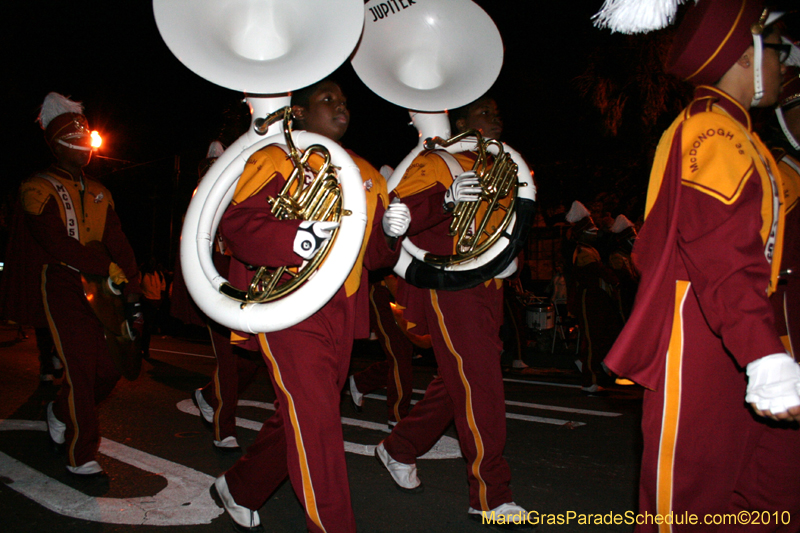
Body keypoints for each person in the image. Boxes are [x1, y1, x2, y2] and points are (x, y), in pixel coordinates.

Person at [603, 1, 800, 529]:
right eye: (777, 51)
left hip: (735, 328)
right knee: (688, 505)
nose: (785, 64)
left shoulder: (738, 134)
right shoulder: (712, 132)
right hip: (704, 335)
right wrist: (762, 353)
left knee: (762, 499)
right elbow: (722, 254)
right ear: (744, 55)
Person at [210, 79, 410, 533]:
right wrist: (298, 237)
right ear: (297, 113)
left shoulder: (366, 173)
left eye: (344, 101)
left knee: (301, 416)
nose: (341, 107)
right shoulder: (276, 156)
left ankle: (239, 487)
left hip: (342, 306)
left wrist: (392, 235)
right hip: (285, 300)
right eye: (327, 100)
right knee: (319, 423)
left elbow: (376, 259)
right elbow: (238, 224)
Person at [374, 95, 532, 530]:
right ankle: (490, 496)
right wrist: (446, 199)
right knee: (480, 383)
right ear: (461, 122)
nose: (496, 116)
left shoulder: (500, 165)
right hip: (451, 287)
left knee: (458, 380)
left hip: (488, 287)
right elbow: (401, 214)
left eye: (496, 110)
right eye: (485, 112)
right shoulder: (438, 161)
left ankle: (399, 447)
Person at [16, 92, 141, 476]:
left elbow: (118, 241)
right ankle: (81, 452)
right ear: (55, 144)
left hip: (102, 287)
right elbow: (56, 242)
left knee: (111, 367)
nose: (84, 147)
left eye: (87, 140)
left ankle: (57, 408)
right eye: (74, 140)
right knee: (80, 367)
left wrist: (132, 286)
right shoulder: (36, 188)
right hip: (61, 282)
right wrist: (105, 262)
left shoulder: (103, 192)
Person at [171, 140, 260, 451]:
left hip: (242, 284)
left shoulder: (242, 195)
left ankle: (208, 396)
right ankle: (224, 429)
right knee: (228, 360)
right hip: (216, 285)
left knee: (251, 360)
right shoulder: (201, 202)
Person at [564, 200, 622, 394]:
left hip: (597, 298)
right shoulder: (581, 252)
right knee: (592, 339)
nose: (595, 232)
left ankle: (593, 367)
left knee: (601, 336)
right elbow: (599, 272)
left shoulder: (591, 250)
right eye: (591, 229)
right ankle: (589, 380)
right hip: (588, 298)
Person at [347, 271, 415, 428]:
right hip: (382, 284)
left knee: (404, 354)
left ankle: (361, 382)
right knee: (400, 353)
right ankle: (397, 416)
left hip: (404, 286)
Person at [607, 214, 639, 321]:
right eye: (632, 239)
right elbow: (626, 280)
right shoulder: (616, 256)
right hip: (625, 296)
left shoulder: (632, 255)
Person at [140, 256, 166, 359]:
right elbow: (137, 289)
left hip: (156, 304)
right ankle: (142, 348)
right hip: (145, 304)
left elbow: (163, 288)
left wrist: (160, 300)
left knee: (148, 328)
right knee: (144, 327)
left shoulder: (159, 275)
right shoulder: (142, 274)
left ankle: (145, 348)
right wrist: (148, 300)